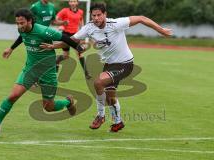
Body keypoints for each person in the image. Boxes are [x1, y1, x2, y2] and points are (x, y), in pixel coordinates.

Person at [41, 2, 172, 132]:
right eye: (94, 15)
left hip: (125, 64)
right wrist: (53, 46)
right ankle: (118, 122)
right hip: (109, 65)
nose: (96, 18)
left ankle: (100, 115)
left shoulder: (116, 24)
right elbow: (71, 40)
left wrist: (161, 30)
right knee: (110, 96)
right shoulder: (89, 27)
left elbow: (141, 18)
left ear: (105, 14)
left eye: (99, 15)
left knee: (98, 83)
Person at [0, 8, 85, 125]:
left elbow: (65, 38)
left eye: (22, 23)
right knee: (13, 96)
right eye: (17, 23)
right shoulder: (22, 29)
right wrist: (11, 48)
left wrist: (78, 48)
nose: (19, 26)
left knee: (48, 107)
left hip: (47, 72)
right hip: (30, 69)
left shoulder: (43, 31)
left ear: (30, 21)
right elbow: (23, 36)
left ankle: (68, 102)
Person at [55, 0, 91, 79]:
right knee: (66, 56)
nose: (72, 3)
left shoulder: (81, 12)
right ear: (69, 3)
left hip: (75, 36)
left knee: (80, 53)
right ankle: (57, 60)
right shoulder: (65, 10)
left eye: (74, 1)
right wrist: (62, 23)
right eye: (71, 1)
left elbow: (81, 22)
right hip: (66, 35)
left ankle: (87, 74)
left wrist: (82, 33)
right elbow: (56, 19)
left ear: (77, 3)